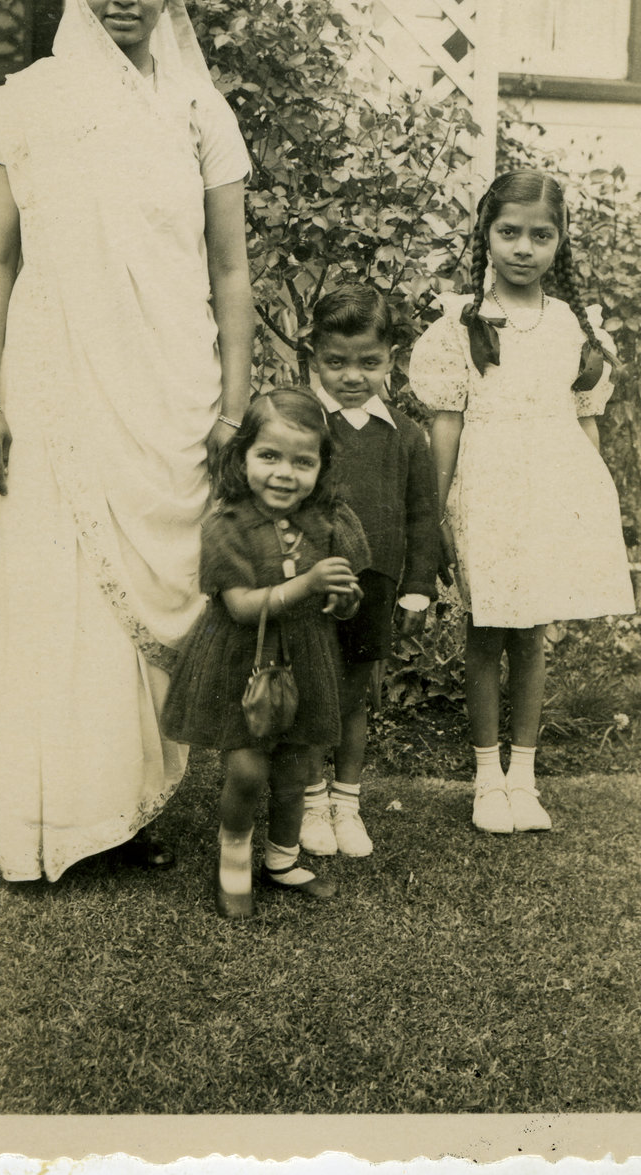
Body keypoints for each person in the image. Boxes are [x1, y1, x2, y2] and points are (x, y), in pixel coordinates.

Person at [0, 0, 255, 884]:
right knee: (58, 588)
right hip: (53, 376)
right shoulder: (30, 103)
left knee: (145, 590)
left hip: (170, 377)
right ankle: (51, 820)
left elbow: (231, 268)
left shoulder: (201, 113)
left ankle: (119, 812)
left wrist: (233, 400)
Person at [408, 169, 635, 835]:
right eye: (508, 231)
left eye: (540, 235)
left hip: (548, 493)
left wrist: (590, 512)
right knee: (485, 631)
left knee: (531, 634)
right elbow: (445, 422)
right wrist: (437, 509)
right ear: (485, 233)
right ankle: (484, 777)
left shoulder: (571, 324)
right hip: (486, 491)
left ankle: (524, 777)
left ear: (559, 242)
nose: (522, 247)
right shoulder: (463, 320)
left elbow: (584, 420)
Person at [162, 389, 370, 919]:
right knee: (249, 768)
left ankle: (282, 859)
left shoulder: (326, 522)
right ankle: (232, 861)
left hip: (305, 657)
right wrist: (308, 583)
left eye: (303, 462)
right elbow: (239, 606)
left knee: (296, 764)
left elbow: (337, 604)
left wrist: (341, 600)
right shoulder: (226, 525)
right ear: (242, 457)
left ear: (321, 468)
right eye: (269, 456)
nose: (284, 474)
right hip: (238, 661)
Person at [300, 286, 438, 858]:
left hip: (375, 585)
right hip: (308, 587)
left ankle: (347, 803)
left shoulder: (405, 435)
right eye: (336, 362)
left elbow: (422, 515)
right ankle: (309, 804)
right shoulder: (303, 424)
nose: (351, 376)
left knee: (354, 698)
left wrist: (417, 592)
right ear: (314, 357)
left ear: (392, 358)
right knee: (311, 694)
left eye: (368, 362)